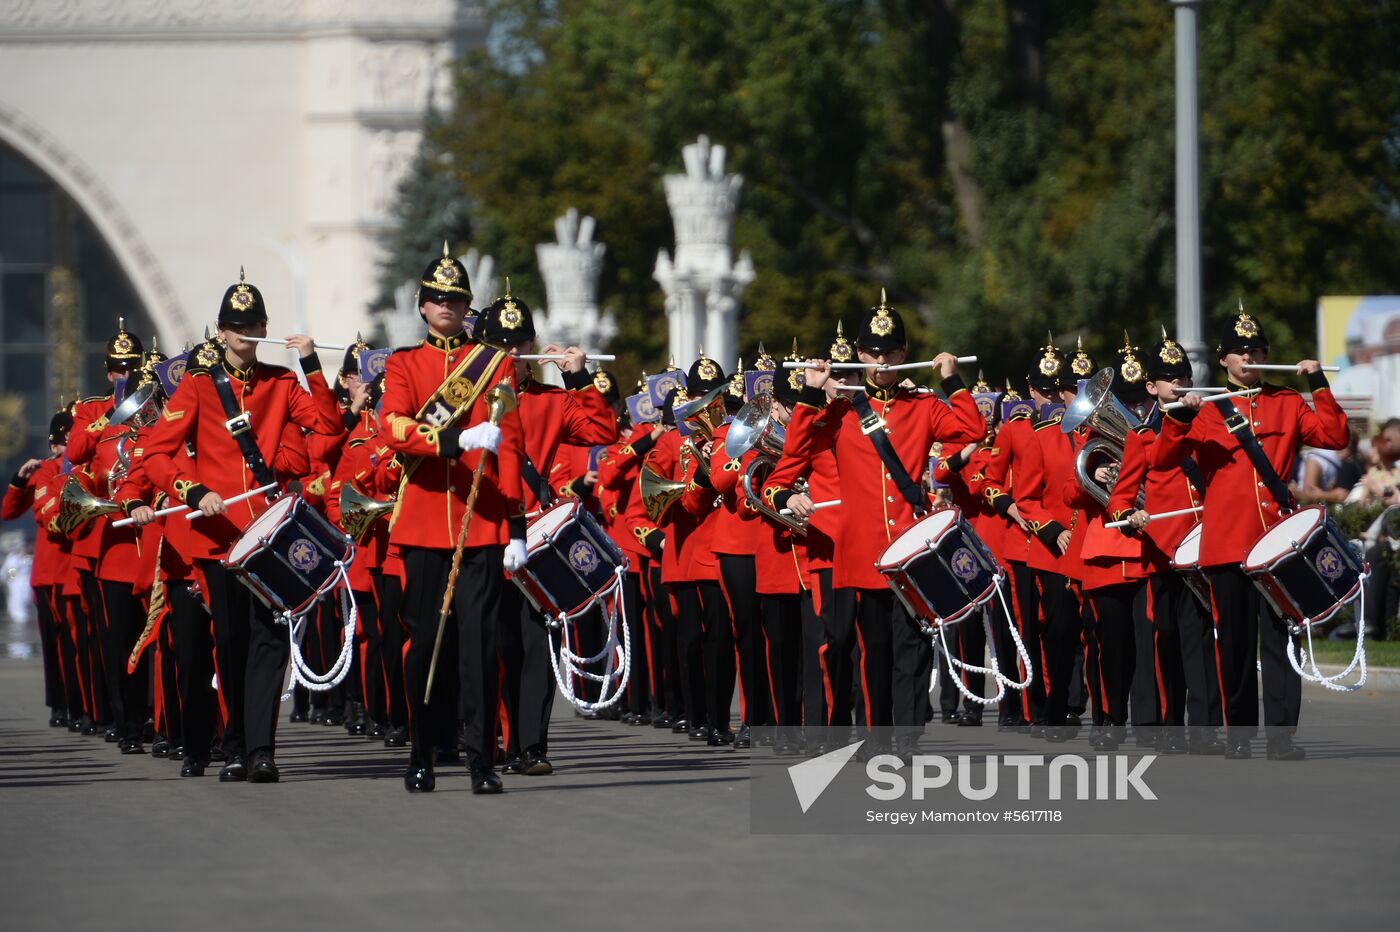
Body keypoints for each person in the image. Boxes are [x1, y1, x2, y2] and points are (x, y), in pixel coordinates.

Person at [143, 269, 345, 783]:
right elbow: (156, 455)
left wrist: (311, 365)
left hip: (270, 536)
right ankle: (232, 745)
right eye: (237, 327)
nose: (246, 335)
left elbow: (329, 426)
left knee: (269, 642)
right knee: (230, 642)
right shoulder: (196, 388)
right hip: (220, 539)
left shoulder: (280, 383)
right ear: (221, 331)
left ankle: (261, 750)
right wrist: (193, 491)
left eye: (254, 325)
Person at [764, 292, 983, 758]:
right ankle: (876, 733)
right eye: (874, 353)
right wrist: (810, 390)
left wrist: (951, 380)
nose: (882, 361)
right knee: (873, 648)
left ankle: (905, 736)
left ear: (904, 355)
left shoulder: (922, 406)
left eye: (891, 353)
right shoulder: (843, 409)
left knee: (912, 647)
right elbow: (796, 446)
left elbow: (971, 429)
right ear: (861, 356)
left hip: (910, 545)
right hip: (863, 551)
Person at [1157, 308, 1348, 760]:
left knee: (1281, 638)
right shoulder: (1205, 407)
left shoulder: (1287, 401)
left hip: (1276, 542)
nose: (1251, 357)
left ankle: (1282, 736)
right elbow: (1163, 461)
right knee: (1236, 643)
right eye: (1242, 352)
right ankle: (1238, 734)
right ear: (1224, 359)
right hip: (1227, 542)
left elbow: (1336, 435)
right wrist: (1181, 420)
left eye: (1258, 350)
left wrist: (1317, 384)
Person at [378, 245, 528, 794]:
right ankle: (421, 750)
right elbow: (391, 428)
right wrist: (449, 438)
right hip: (421, 525)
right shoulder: (403, 364)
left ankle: (480, 758)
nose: (446, 306)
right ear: (422, 306)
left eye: (456, 299)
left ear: (468, 307)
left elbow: (511, 445)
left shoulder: (495, 362)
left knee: (480, 649)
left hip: (480, 522)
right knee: (424, 646)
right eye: (438, 298)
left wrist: (517, 526)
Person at [473, 285, 618, 775]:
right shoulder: (467, 395)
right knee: (493, 643)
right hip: (487, 530)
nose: (514, 354)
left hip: (535, 535)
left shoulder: (553, 399)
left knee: (536, 642)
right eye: (503, 344)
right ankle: (490, 738)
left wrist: (578, 377)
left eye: (521, 342)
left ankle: (531, 745)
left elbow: (602, 432)